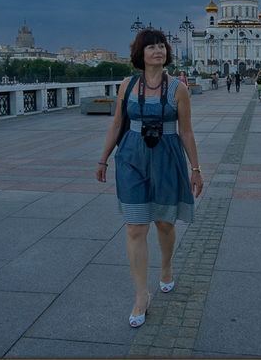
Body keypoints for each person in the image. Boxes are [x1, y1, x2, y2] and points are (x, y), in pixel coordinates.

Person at [96, 29, 203, 328]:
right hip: (132, 158)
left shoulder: (178, 89)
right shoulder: (127, 85)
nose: (158, 50)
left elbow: (186, 131)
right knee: (135, 228)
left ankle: (166, 267)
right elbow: (118, 123)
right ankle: (141, 295)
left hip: (167, 159)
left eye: (162, 46)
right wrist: (103, 158)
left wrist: (195, 169)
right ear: (140, 54)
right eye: (151, 46)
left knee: (165, 223)